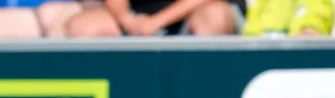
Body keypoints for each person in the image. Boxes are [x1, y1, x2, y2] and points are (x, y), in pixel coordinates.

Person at [64, 0, 247, 37]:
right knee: (82, 26)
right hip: (141, 17)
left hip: (197, 12)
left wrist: (157, 22)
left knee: (214, 17)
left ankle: (204, 89)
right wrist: (127, 20)